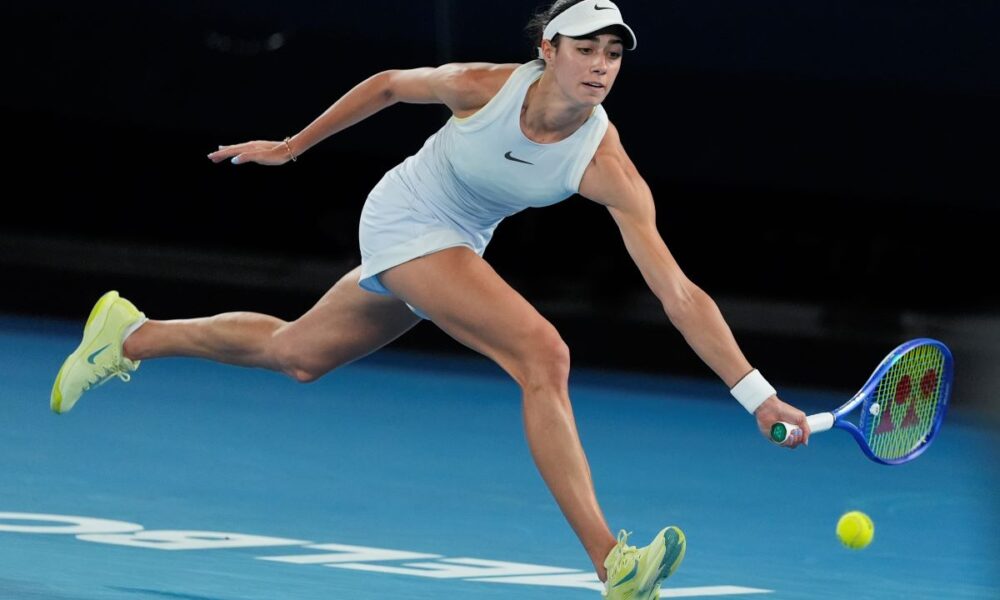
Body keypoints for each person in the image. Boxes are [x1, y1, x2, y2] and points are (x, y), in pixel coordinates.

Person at [50, 1, 812, 597]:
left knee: (297, 354)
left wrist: (757, 395)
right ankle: (612, 561)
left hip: (457, 245)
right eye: (586, 49)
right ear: (548, 50)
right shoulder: (485, 85)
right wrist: (292, 147)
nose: (601, 66)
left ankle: (130, 335)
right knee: (543, 354)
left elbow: (677, 291)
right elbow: (388, 85)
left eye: (613, 54)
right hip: (404, 217)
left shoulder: (605, 163)